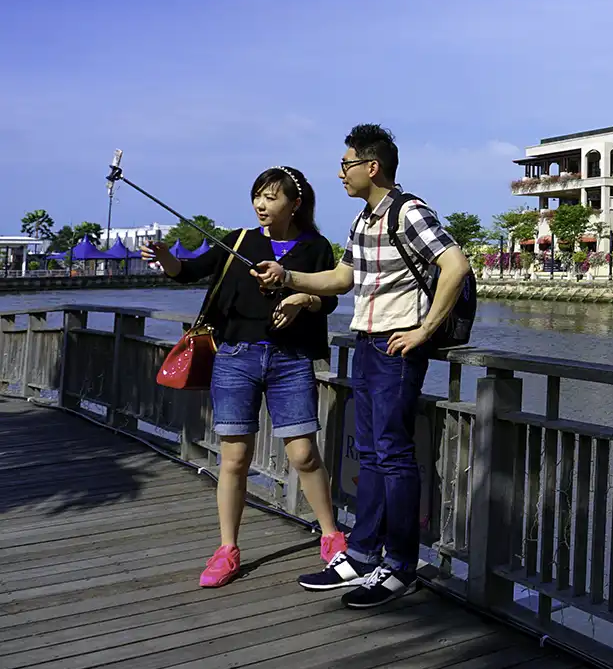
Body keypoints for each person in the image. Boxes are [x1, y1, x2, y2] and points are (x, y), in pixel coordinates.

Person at [254, 124, 471, 609]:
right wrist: (286, 275)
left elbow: (455, 265)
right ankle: (362, 554)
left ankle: (399, 566)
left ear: (372, 167)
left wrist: (424, 331)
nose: (340, 173)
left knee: (392, 454)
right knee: (372, 451)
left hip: (397, 349)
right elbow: (342, 278)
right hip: (368, 343)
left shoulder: (409, 211)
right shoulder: (362, 221)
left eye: (346, 164)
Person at [141, 166, 346, 588]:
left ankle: (331, 537)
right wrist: (166, 260)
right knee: (234, 459)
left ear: (296, 202)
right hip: (234, 357)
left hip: (290, 361)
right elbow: (190, 270)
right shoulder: (238, 241)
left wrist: (302, 298)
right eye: (258, 196)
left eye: (271, 197)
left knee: (303, 454)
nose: (261, 205)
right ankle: (227, 549)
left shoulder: (316, 247)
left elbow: (328, 300)